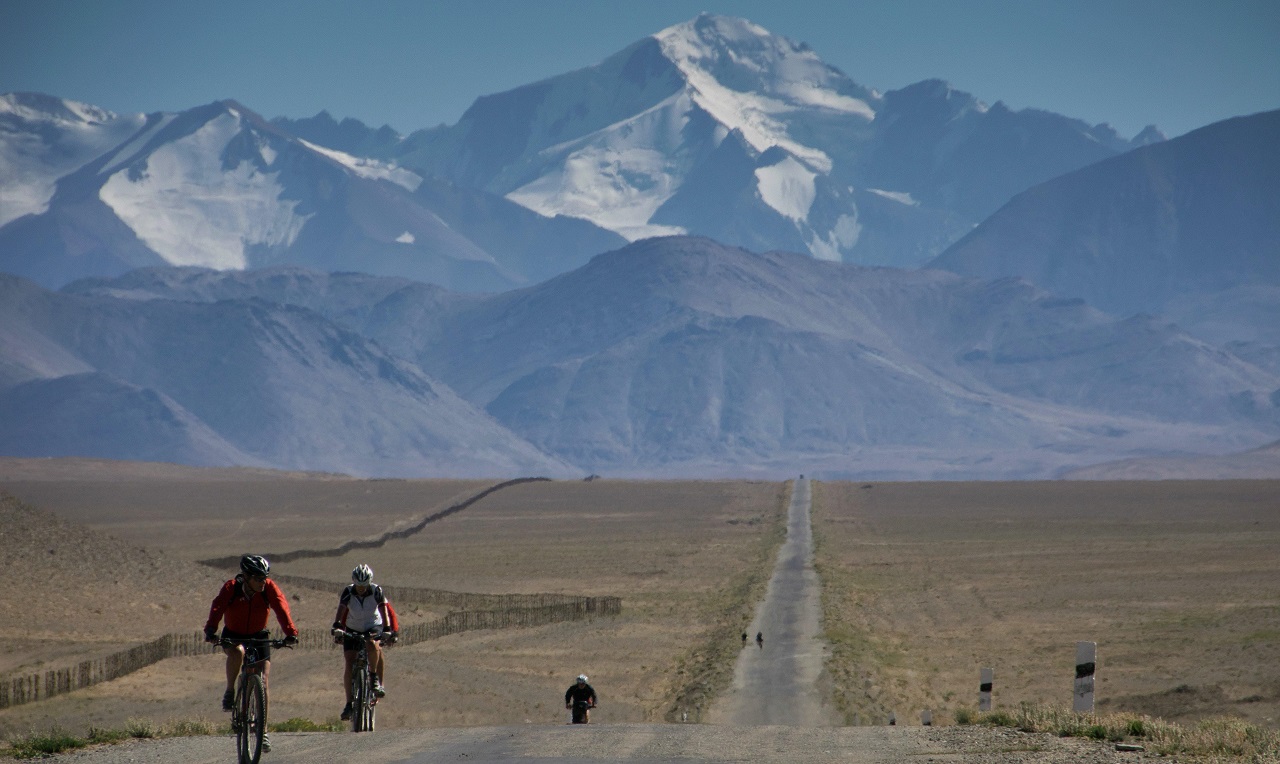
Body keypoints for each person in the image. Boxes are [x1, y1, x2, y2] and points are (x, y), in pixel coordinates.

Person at [204, 554, 299, 752]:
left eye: (264, 577)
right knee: (237, 653)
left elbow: (281, 607)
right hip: (233, 635)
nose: (262, 582)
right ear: (246, 577)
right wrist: (211, 630)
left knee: (263, 681)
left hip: (259, 635)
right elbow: (217, 607)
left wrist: (290, 633)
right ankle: (230, 691)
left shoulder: (268, 588)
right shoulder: (232, 587)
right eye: (257, 578)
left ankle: (262, 732)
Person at [331, 564, 397, 721]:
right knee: (349, 660)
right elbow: (341, 609)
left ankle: (373, 678)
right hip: (353, 627)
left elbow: (384, 610)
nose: (361, 588)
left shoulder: (376, 591)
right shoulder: (348, 591)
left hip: (372, 625)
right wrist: (337, 626)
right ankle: (348, 703)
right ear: (354, 582)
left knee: (372, 644)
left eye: (364, 585)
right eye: (358, 585)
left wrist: (387, 629)